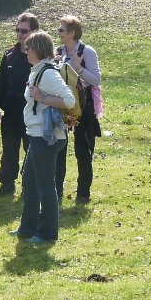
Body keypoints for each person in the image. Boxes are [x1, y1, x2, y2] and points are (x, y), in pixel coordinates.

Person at [12, 30, 76, 244]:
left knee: (46, 185)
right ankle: (27, 229)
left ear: (38, 50)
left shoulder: (48, 74)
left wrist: (43, 98)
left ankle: (47, 234)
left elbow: (69, 101)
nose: (25, 51)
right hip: (37, 135)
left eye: (28, 47)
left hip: (47, 138)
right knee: (29, 181)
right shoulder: (37, 71)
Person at [54, 15, 102, 204]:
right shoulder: (58, 51)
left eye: (61, 30)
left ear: (72, 33)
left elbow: (96, 80)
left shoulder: (87, 51)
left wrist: (78, 68)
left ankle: (83, 194)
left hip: (83, 108)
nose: (58, 32)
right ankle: (56, 191)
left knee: (82, 151)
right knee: (59, 149)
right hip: (61, 106)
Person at [0, 11, 38, 197]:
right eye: (18, 30)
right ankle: (7, 183)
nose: (20, 34)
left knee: (31, 148)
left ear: (34, 31)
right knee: (9, 147)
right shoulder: (9, 54)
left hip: (32, 109)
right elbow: (0, 82)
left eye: (24, 31)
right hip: (10, 109)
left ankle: (30, 184)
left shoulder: (41, 56)